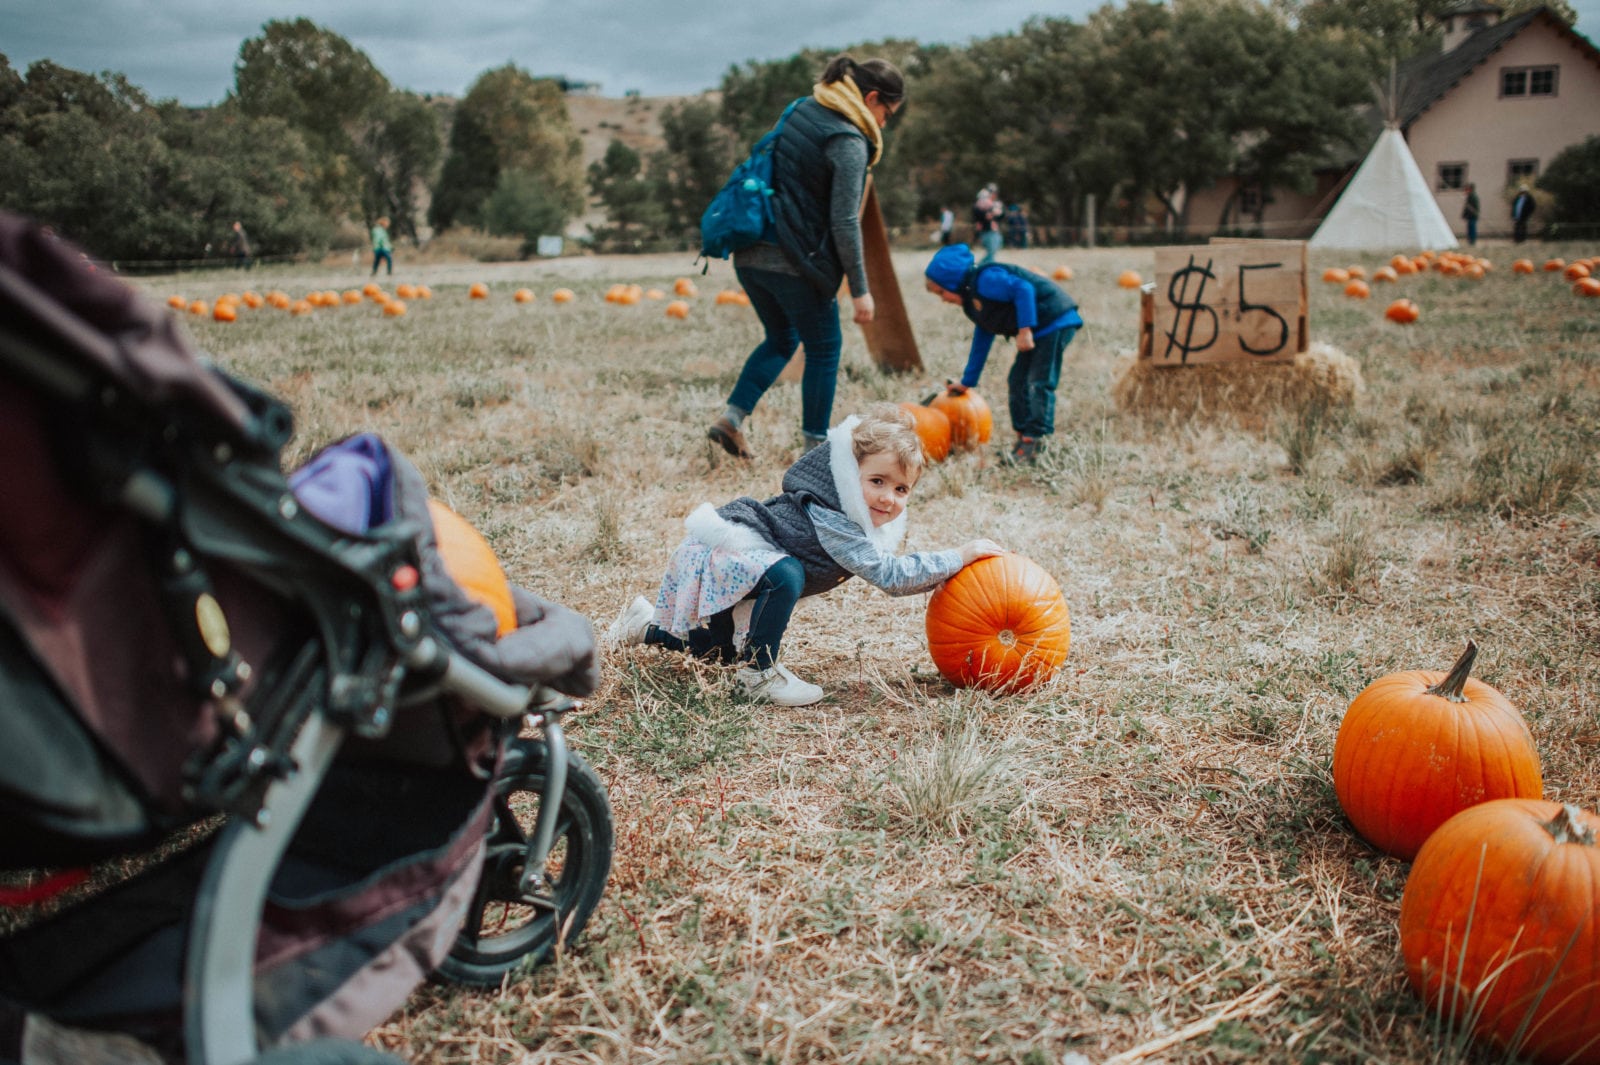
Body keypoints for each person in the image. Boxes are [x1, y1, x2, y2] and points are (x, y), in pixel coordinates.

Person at [610, 405, 1005, 706]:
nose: (888, 497)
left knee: (722, 652)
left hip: (746, 573)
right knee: (787, 573)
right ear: (849, 476)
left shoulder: (854, 514)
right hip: (729, 555)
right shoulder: (833, 515)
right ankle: (759, 675)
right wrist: (958, 556)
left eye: (901, 489)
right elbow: (891, 577)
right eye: (878, 481)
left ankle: (645, 625)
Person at [706, 54, 905, 461]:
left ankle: (731, 418)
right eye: (888, 113)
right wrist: (862, 290)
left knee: (781, 339)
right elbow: (845, 222)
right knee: (825, 348)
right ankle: (814, 451)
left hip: (749, 251)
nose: (885, 123)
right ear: (871, 98)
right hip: (794, 261)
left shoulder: (802, 108)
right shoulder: (849, 141)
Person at [923, 243, 1083, 464]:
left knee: (1039, 381)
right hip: (1039, 329)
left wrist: (1025, 329)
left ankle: (1037, 440)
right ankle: (1023, 439)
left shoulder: (985, 280)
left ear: (953, 281)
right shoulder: (973, 302)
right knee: (1017, 380)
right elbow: (983, 336)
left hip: (1054, 320)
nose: (943, 299)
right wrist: (967, 381)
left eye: (942, 291)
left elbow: (1023, 289)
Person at [972, 184, 1003, 264]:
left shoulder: (993, 204)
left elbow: (1000, 215)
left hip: (992, 230)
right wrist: (993, 213)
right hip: (986, 231)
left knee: (993, 250)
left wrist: (994, 212)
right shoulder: (979, 205)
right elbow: (985, 216)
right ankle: (980, 265)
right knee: (991, 252)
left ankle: (983, 265)